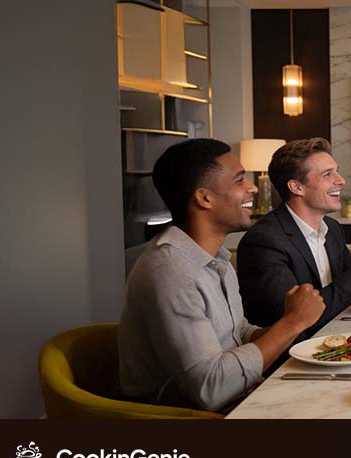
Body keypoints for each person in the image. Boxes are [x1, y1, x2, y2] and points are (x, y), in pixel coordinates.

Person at [118, 139, 326, 413]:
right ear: (204, 197)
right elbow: (211, 388)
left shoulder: (218, 258)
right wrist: (292, 322)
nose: (253, 187)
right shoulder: (170, 271)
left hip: (240, 400)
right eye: (240, 180)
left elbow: (237, 332)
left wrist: (291, 329)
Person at [236, 138, 351, 372]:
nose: (341, 180)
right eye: (328, 174)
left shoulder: (333, 228)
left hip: (337, 351)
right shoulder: (264, 241)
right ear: (296, 187)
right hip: (289, 366)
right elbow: (296, 322)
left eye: (336, 171)